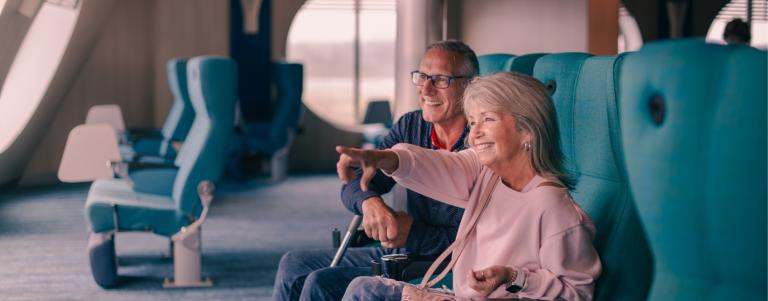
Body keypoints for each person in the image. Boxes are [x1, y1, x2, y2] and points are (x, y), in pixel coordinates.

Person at [337, 72, 601, 300]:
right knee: (349, 288)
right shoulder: (487, 173)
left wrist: (513, 277)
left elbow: (577, 293)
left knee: (365, 292)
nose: (474, 133)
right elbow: (437, 165)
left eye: (487, 119)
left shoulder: (553, 208)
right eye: (473, 122)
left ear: (527, 129)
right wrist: (385, 158)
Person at [271, 40, 480, 301]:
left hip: (445, 261)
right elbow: (354, 181)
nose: (426, 88)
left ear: (470, 86)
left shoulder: (481, 141)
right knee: (295, 265)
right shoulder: (411, 126)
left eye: (440, 80)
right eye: (422, 77)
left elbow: (480, 240)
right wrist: (370, 202)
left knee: (321, 282)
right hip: (405, 248)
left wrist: (414, 234)